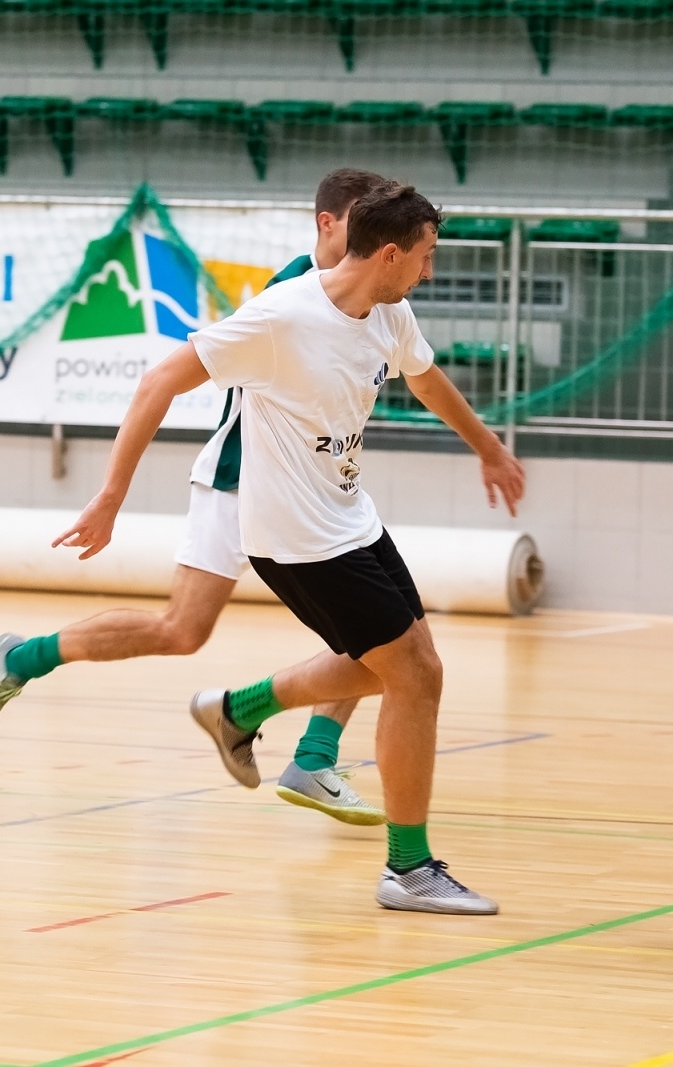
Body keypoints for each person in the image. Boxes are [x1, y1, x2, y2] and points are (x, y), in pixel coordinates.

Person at [0, 169, 394, 826]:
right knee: (182, 631)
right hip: (238, 482)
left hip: (310, 499)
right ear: (327, 223)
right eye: (360, 219)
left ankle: (313, 756)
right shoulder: (289, 295)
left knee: (378, 630)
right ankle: (22, 659)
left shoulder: (373, 300)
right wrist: (111, 496)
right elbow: (161, 380)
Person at [183, 182, 522, 914]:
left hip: (350, 517)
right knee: (416, 676)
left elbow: (427, 381)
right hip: (294, 536)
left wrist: (490, 447)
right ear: (391, 253)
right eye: (427, 255)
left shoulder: (389, 311)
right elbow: (161, 380)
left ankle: (238, 709)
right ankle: (408, 869)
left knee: (397, 669)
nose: (431, 270)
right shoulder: (281, 314)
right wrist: (108, 498)